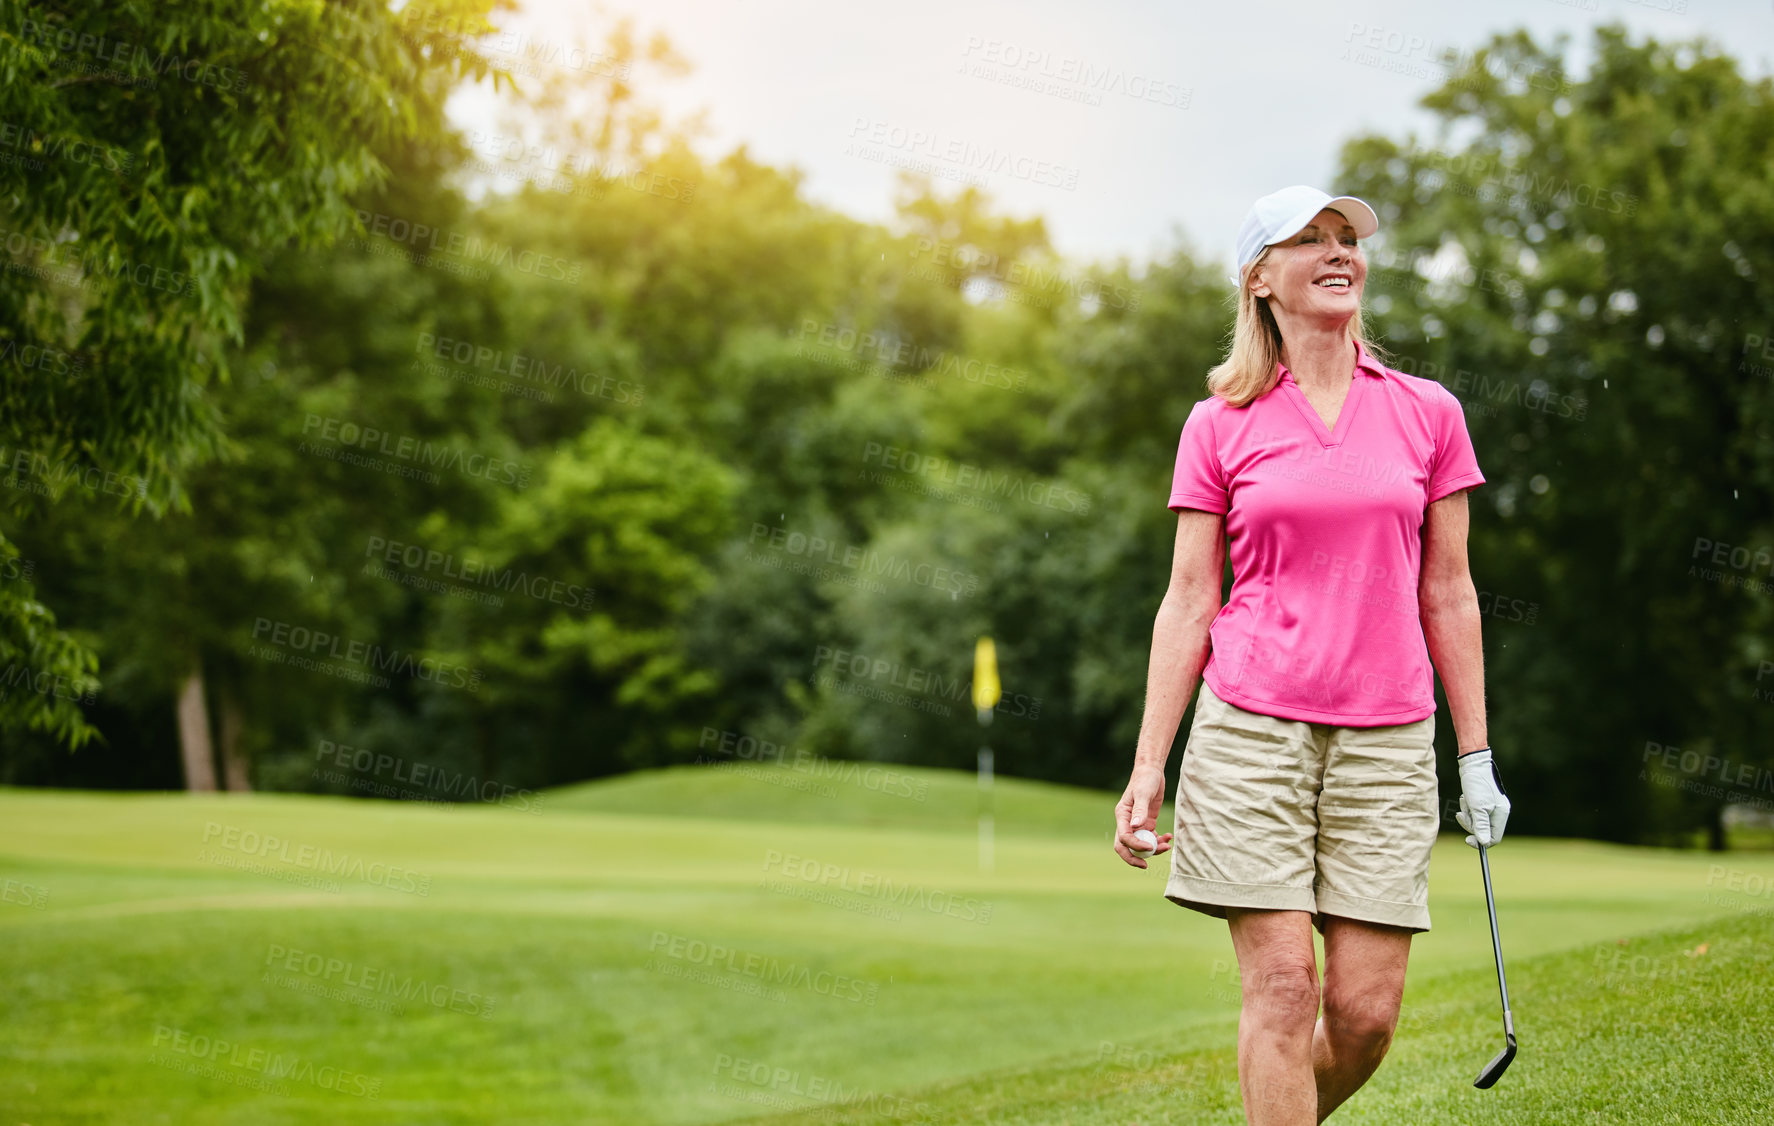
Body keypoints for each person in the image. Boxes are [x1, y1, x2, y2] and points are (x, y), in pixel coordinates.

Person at [1111, 184, 1513, 1125]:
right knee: (1285, 990)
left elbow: (1448, 590)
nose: (1339, 253)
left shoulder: (1427, 412)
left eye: (1348, 240)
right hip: (1253, 729)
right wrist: (1147, 763)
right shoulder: (1219, 422)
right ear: (1260, 279)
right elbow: (1188, 597)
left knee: (1366, 1014)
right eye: (1309, 240)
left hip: (1387, 737)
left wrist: (1477, 754)